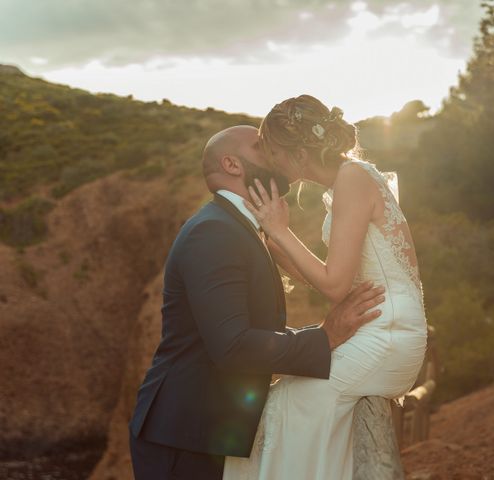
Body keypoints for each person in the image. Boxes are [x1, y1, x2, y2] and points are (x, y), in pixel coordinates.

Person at [128, 125, 386, 480]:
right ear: (232, 164)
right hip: (185, 436)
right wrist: (324, 337)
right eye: (262, 147)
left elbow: (245, 333)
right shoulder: (214, 231)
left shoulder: (236, 227)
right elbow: (233, 345)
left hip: (206, 431)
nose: (277, 152)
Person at [223, 95, 428, 479]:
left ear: (299, 152)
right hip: (380, 328)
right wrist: (273, 244)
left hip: (389, 333)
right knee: (283, 400)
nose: (273, 163)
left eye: (274, 153)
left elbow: (334, 286)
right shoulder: (350, 179)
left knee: (284, 404)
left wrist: (280, 230)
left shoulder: (353, 178)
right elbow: (334, 277)